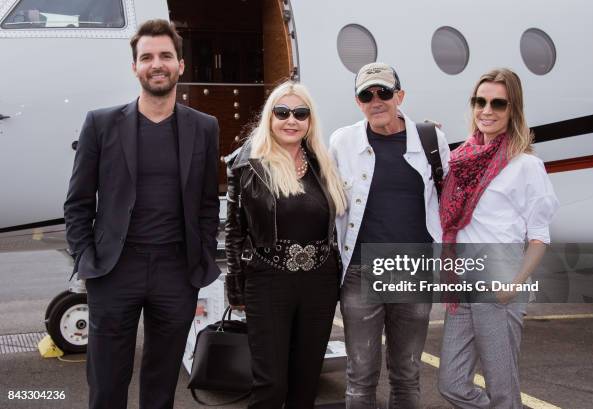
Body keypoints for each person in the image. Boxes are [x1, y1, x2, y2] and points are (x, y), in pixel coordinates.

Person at [63, 19, 220, 409]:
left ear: (180, 65)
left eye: (166, 56)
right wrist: (86, 260)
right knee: (106, 382)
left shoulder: (204, 127)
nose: (157, 64)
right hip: (115, 269)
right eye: (147, 57)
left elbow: (206, 203)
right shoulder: (101, 124)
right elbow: (78, 202)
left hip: (175, 271)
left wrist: (198, 259)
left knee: (161, 382)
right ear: (134, 67)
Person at [329, 62, 450, 409]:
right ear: (358, 102)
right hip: (360, 272)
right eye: (367, 94)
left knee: (406, 375)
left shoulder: (430, 138)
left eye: (384, 92)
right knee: (360, 377)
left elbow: (451, 195)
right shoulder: (342, 142)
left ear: (400, 96)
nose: (376, 100)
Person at [437, 68, 559, 408]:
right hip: (461, 283)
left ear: (513, 110)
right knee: (451, 383)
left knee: (503, 389)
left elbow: (539, 237)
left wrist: (514, 284)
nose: (486, 111)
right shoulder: (460, 159)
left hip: (499, 286)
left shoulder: (525, 165)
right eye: (480, 101)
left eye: (498, 104)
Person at [224, 81, 347, 409]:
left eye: (300, 113)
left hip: (320, 284)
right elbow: (234, 230)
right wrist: (235, 287)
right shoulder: (249, 164)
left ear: (310, 120)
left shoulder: (323, 164)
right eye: (282, 112)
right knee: (271, 385)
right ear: (270, 117)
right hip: (268, 281)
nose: (291, 120)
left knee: (306, 384)